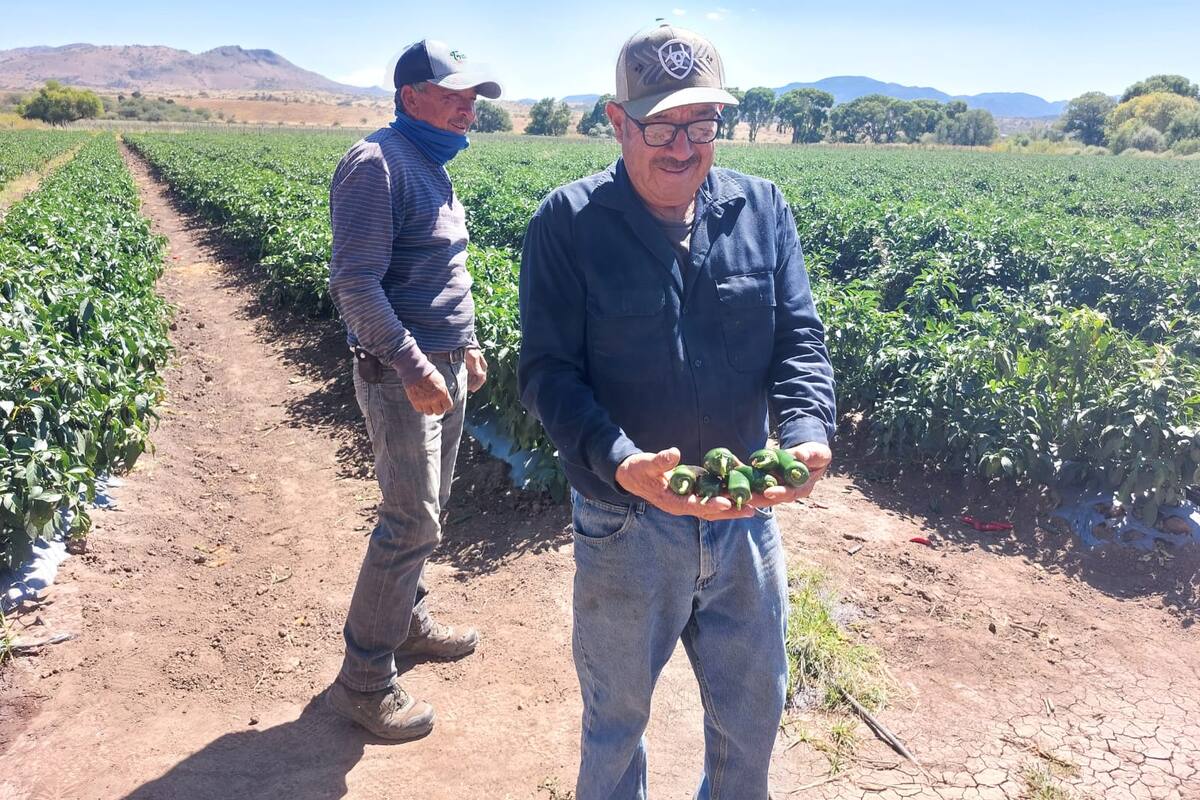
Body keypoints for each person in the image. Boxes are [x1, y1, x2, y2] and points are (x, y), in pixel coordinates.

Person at [517, 23, 837, 799]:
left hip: (744, 519)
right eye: (659, 124)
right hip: (625, 525)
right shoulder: (568, 224)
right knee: (616, 723)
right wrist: (623, 461)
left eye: (701, 124)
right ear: (617, 120)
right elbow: (548, 375)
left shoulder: (763, 209)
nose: (681, 146)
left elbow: (798, 339)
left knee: (752, 717)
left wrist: (806, 430)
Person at [324, 39, 501, 741]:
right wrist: (412, 363)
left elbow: (442, 272)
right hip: (405, 377)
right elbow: (355, 283)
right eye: (455, 94)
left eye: (473, 97)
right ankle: (363, 679)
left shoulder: (431, 163)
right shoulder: (378, 164)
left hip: (444, 365)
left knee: (431, 509)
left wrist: (469, 345)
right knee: (410, 521)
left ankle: (407, 623)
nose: (470, 107)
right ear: (411, 98)